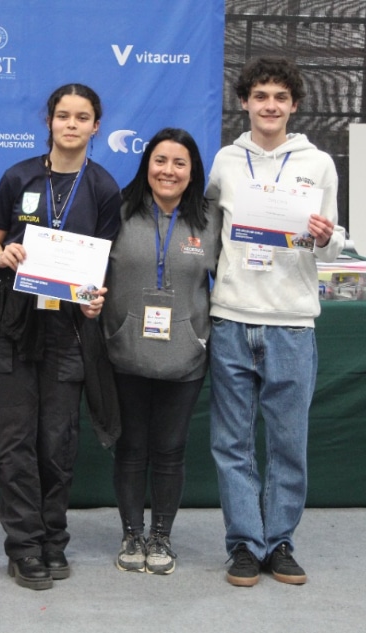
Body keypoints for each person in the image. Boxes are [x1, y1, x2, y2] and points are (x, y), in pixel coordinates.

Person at [0, 83, 122, 590]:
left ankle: (53, 540)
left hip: (68, 330)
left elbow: (102, 263)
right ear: (49, 121)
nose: (71, 124)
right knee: (15, 440)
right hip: (13, 325)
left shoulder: (105, 188)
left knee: (57, 443)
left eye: (82, 116)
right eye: (62, 115)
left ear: (96, 125)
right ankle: (23, 548)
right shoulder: (18, 176)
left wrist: (94, 300)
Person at [205, 56, 343, 587]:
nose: (269, 106)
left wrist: (327, 237)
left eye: (280, 98)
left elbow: (328, 243)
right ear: (244, 102)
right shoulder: (224, 162)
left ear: (294, 105)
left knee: (288, 442)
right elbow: (210, 230)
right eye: (260, 96)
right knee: (232, 442)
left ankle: (280, 540)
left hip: (292, 321)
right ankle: (244, 543)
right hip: (232, 317)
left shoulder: (320, 164)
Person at [103, 128, 220, 575]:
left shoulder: (211, 219)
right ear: (145, 164)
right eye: (160, 160)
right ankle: (132, 534)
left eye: (179, 163)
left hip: (185, 354)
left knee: (170, 448)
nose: (168, 170)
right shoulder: (117, 212)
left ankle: (161, 537)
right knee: (131, 447)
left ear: (193, 173)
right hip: (125, 350)